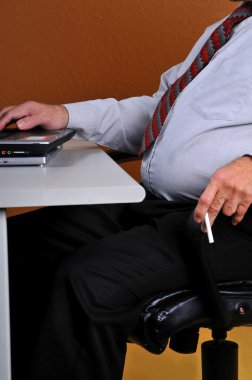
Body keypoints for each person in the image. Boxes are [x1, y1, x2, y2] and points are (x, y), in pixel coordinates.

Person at [1, 1, 252, 379]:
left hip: (231, 221)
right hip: (163, 204)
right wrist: (66, 115)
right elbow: (160, 113)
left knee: (89, 284)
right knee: (15, 248)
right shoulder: (232, 27)